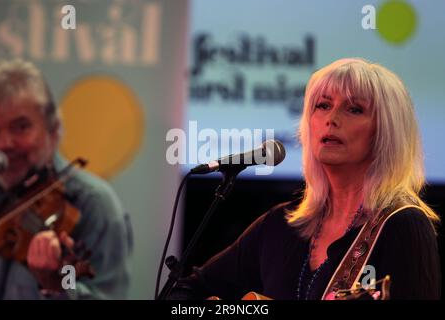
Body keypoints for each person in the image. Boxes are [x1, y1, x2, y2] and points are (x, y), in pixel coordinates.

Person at [168, 58, 441, 300]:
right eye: (322, 105)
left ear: (386, 131)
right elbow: (184, 293)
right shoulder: (282, 225)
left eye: (354, 109)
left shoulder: (403, 226)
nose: (331, 119)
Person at [0, 59, 133, 299]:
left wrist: (56, 287)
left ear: (54, 129)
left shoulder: (93, 203)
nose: (3, 144)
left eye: (21, 127)